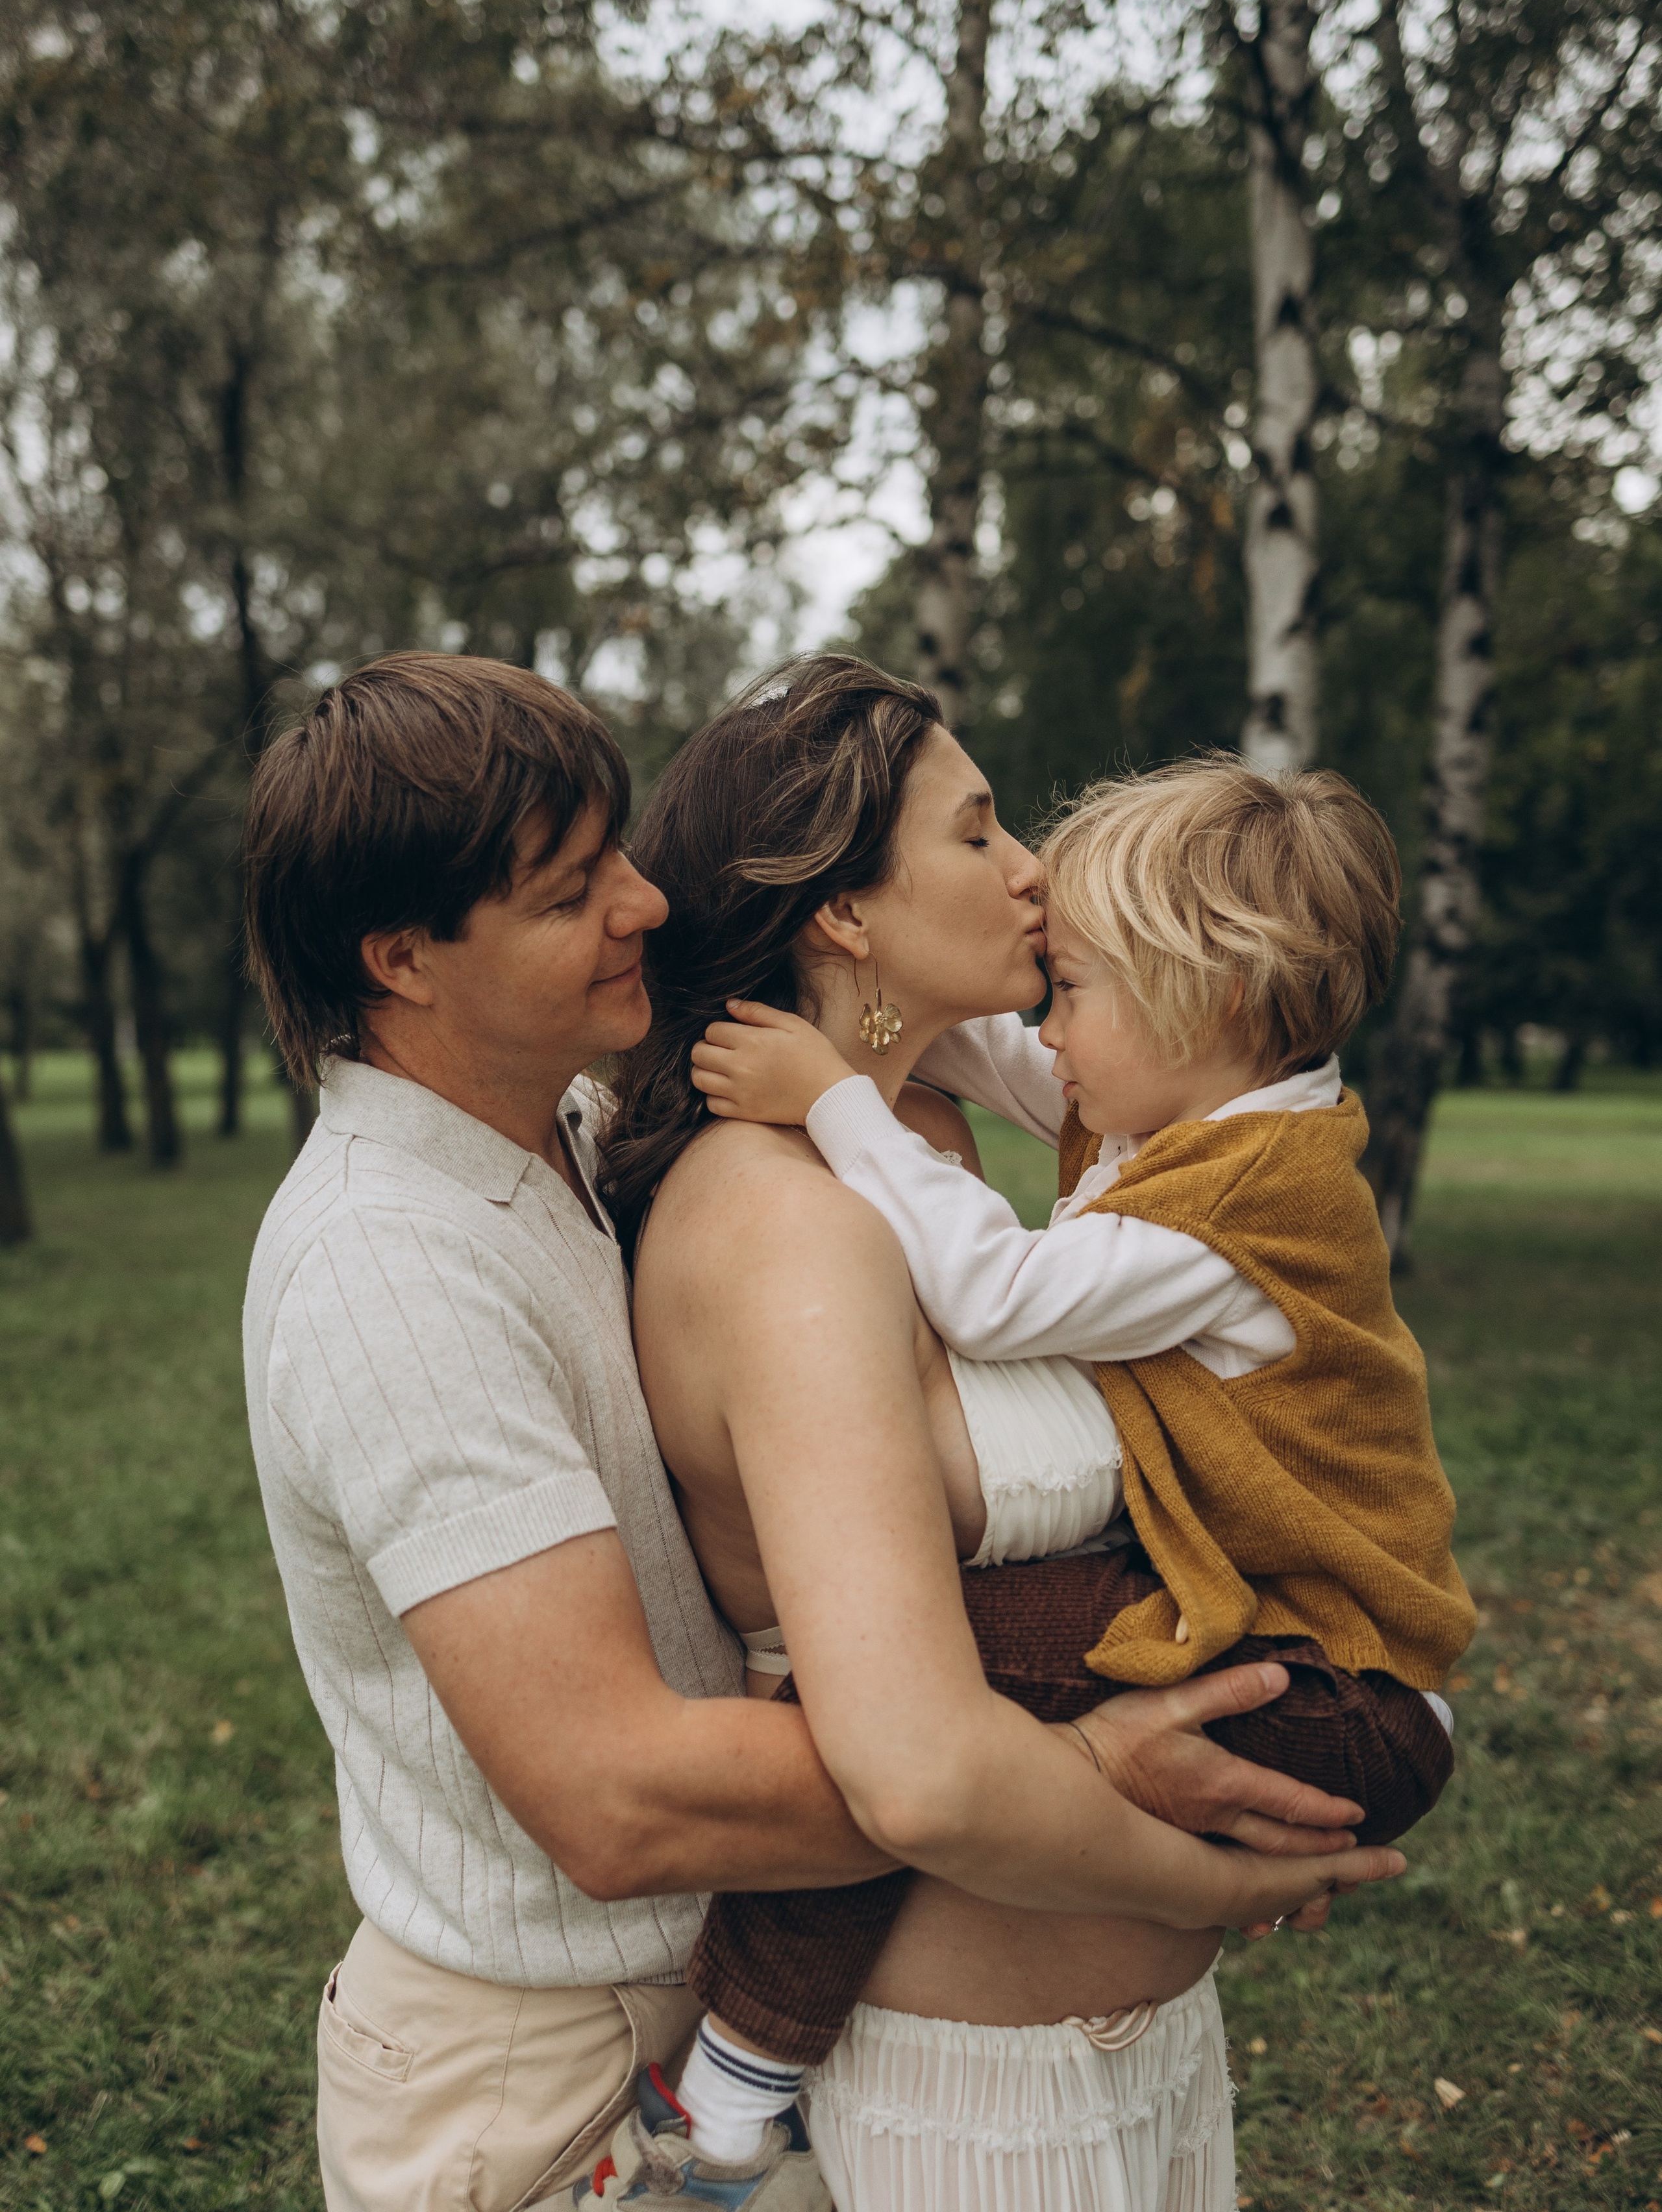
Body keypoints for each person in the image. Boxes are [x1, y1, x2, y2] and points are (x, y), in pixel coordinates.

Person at [239, 654, 1396, 2212]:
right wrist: (1119, 1798)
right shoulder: (402, 1262)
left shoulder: (608, 1138)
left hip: (987, 2025)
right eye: (574, 889)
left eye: (631, 860)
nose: (645, 904)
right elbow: (629, 1792)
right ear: (404, 961)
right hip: (555, 2074)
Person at [597, 659, 1406, 2212]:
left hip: (1131, 2051)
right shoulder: (791, 1218)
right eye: (976, 835)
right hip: (986, 2092)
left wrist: (859, 1067)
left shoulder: (926, 1125)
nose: (1030, 870)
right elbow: (912, 1761)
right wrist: (1229, 1879)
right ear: (842, 910)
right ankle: (735, 2085)